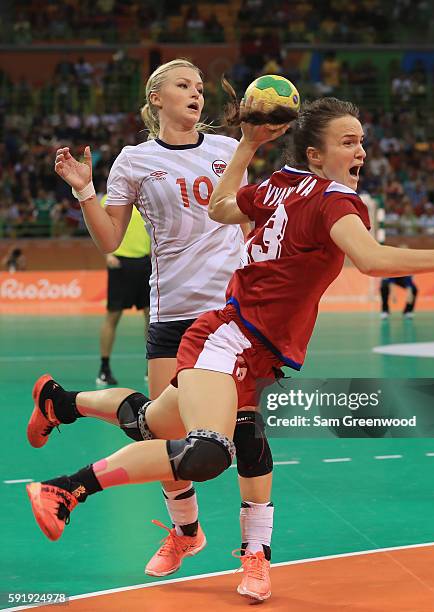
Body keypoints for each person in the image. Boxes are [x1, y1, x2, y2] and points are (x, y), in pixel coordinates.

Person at [27, 97, 434, 603]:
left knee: (151, 425)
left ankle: (60, 402)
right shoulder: (335, 200)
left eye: (363, 142)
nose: (362, 151)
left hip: (252, 348)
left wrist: (245, 147)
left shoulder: (281, 184)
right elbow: (371, 260)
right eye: (349, 142)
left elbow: (220, 207)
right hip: (228, 338)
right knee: (208, 451)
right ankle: (66, 489)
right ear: (315, 154)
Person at [39, 59, 277, 601]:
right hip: (171, 314)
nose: (196, 93)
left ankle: (257, 553)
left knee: (244, 430)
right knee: (162, 432)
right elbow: (108, 238)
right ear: (156, 96)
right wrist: (84, 190)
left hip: (231, 316)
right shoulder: (135, 160)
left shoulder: (227, 150)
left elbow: (256, 215)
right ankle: (187, 533)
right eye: (184, 85)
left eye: (199, 87)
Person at [97, 194, 151, 385]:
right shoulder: (107, 200)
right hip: (119, 262)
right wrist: (107, 255)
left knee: (151, 316)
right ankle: (104, 368)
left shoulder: (146, 195)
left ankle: (151, 365)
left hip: (146, 262)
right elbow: (99, 229)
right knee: (113, 316)